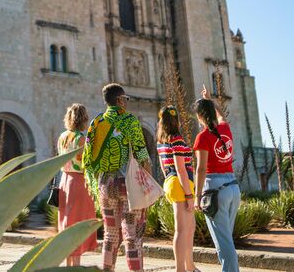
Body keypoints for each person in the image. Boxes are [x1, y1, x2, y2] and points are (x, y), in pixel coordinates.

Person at [83, 83, 151, 272]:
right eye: (126, 99)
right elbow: (142, 154)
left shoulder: (96, 123)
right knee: (132, 236)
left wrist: (94, 183)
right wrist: (148, 185)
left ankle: (107, 270)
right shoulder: (129, 121)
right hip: (128, 185)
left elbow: (88, 159)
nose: (126, 103)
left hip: (105, 184)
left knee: (110, 234)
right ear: (120, 100)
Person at [193, 85, 241, 272]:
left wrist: (197, 196)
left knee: (224, 243)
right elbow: (222, 116)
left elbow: (201, 168)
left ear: (198, 116)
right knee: (227, 238)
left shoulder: (202, 137)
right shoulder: (225, 128)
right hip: (233, 187)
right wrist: (210, 99)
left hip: (215, 189)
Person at [57, 103, 99, 266]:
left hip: (64, 180)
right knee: (78, 222)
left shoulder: (62, 137)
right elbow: (85, 163)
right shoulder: (80, 138)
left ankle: (68, 264)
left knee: (66, 221)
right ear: (83, 119)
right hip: (78, 182)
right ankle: (76, 265)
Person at [157, 106, 197, 272]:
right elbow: (181, 169)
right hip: (182, 184)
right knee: (182, 230)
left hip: (171, 182)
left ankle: (190, 266)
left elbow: (163, 166)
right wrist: (188, 194)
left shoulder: (161, 142)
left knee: (189, 228)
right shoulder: (177, 139)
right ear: (176, 120)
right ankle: (181, 269)